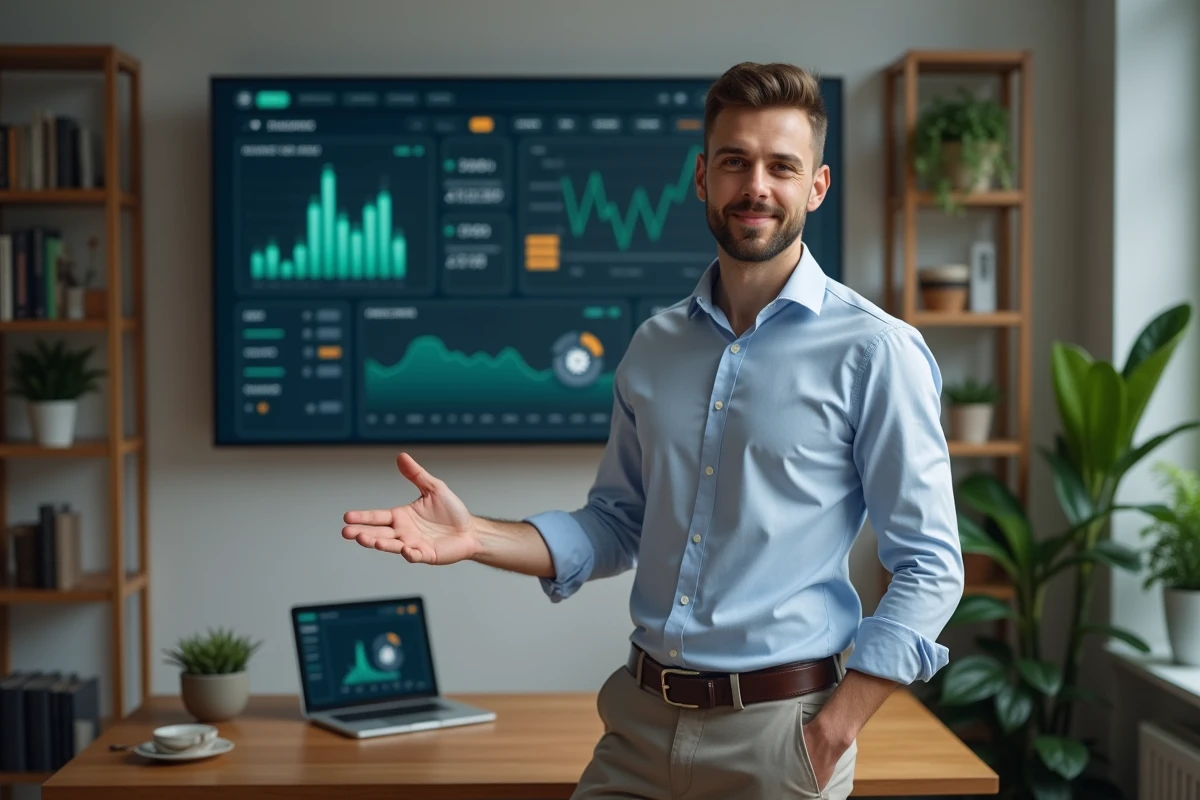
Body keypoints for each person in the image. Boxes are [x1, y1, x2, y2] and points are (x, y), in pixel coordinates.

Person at [341, 61, 964, 800]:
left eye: (781, 166)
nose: (756, 186)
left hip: (783, 736)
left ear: (816, 186)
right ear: (702, 177)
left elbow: (930, 564)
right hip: (639, 726)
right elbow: (617, 523)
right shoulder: (654, 345)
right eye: (734, 162)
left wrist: (832, 732)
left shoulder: (876, 351)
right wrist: (475, 535)